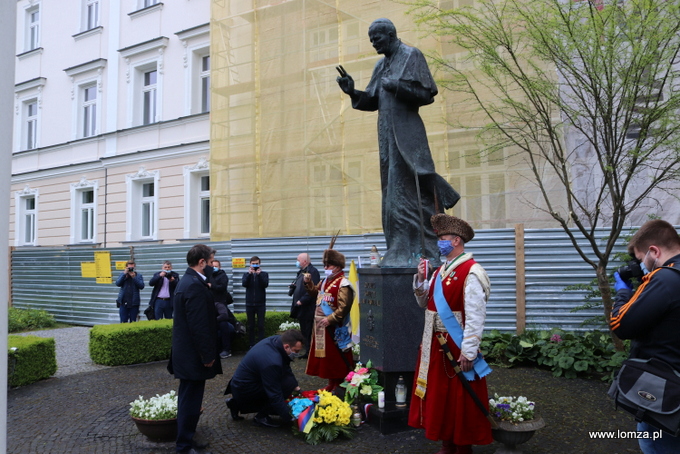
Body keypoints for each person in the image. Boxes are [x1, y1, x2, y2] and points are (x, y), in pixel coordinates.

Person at [336, 18, 459, 267]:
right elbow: (372, 99)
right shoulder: (381, 65)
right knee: (392, 195)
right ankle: (399, 249)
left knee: (411, 190)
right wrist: (352, 91)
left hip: (406, 133)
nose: (373, 43)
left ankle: (421, 252)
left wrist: (397, 85)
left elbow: (426, 95)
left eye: (377, 38)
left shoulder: (411, 55)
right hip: (386, 138)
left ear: (390, 35)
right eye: (371, 40)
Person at [409, 214, 493, 454]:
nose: (439, 243)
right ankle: (447, 443)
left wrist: (469, 351)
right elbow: (424, 303)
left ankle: (462, 446)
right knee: (440, 398)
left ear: (456, 240)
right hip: (434, 346)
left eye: (443, 239)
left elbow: (476, 316)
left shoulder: (472, 271)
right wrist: (421, 279)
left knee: (460, 399)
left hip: (456, 346)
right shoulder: (439, 271)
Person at [611, 219, 680, 453]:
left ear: (654, 251)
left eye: (641, 260)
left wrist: (622, 292)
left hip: (664, 393)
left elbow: (622, 325)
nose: (642, 266)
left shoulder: (665, 278)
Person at [169, 244, 222, 454]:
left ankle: (188, 438)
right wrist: (207, 355)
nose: (212, 267)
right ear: (202, 263)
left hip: (188, 355)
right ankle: (183, 446)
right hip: (193, 357)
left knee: (189, 399)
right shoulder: (192, 285)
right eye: (210, 263)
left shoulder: (190, 282)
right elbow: (198, 326)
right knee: (190, 402)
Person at [225, 329, 304, 427]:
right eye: (296, 351)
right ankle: (261, 417)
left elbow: (286, 367)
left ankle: (235, 403)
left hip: (242, 383)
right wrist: (291, 418)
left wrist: (297, 388)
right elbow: (274, 393)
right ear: (287, 347)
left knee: (289, 383)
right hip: (245, 389)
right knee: (285, 387)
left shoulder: (277, 340)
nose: (298, 354)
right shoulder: (272, 362)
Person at [304, 240, 355, 392]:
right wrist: (308, 283)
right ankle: (331, 382)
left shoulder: (343, 283)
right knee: (326, 358)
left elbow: (344, 307)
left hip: (335, 326)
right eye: (325, 265)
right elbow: (315, 294)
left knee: (336, 358)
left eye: (328, 265)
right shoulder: (325, 281)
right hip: (321, 326)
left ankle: (340, 383)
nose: (325, 268)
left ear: (337, 267)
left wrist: (330, 319)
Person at [289, 253, 320, 355]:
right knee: (304, 330)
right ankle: (307, 351)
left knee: (308, 330)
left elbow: (313, 289)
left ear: (305, 261)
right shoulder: (301, 272)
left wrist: (302, 300)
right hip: (300, 308)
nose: (297, 262)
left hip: (307, 307)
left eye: (298, 260)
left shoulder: (312, 272)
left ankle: (309, 352)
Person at [241, 256, 269, 348]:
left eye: (256, 263)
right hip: (249, 304)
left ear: (259, 264)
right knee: (251, 326)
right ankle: (251, 344)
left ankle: (261, 344)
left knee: (261, 325)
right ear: (250, 264)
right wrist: (250, 274)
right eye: (253, 264)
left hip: (260, 304)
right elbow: (244, 284)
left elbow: (265, 284)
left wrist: (259, 274)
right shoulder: (246, 274)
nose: (255, 265)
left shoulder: (264, 274)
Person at [210, 259, 234, 358]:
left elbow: (222, 287)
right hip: (210, 304)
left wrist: (212, 285)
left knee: (223, 325)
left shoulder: (222, 276)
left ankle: (226, 349)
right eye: (212, 266)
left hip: (220, 304)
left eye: (216, 266)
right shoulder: (208, 276)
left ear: (220, 267)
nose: (214, 268)